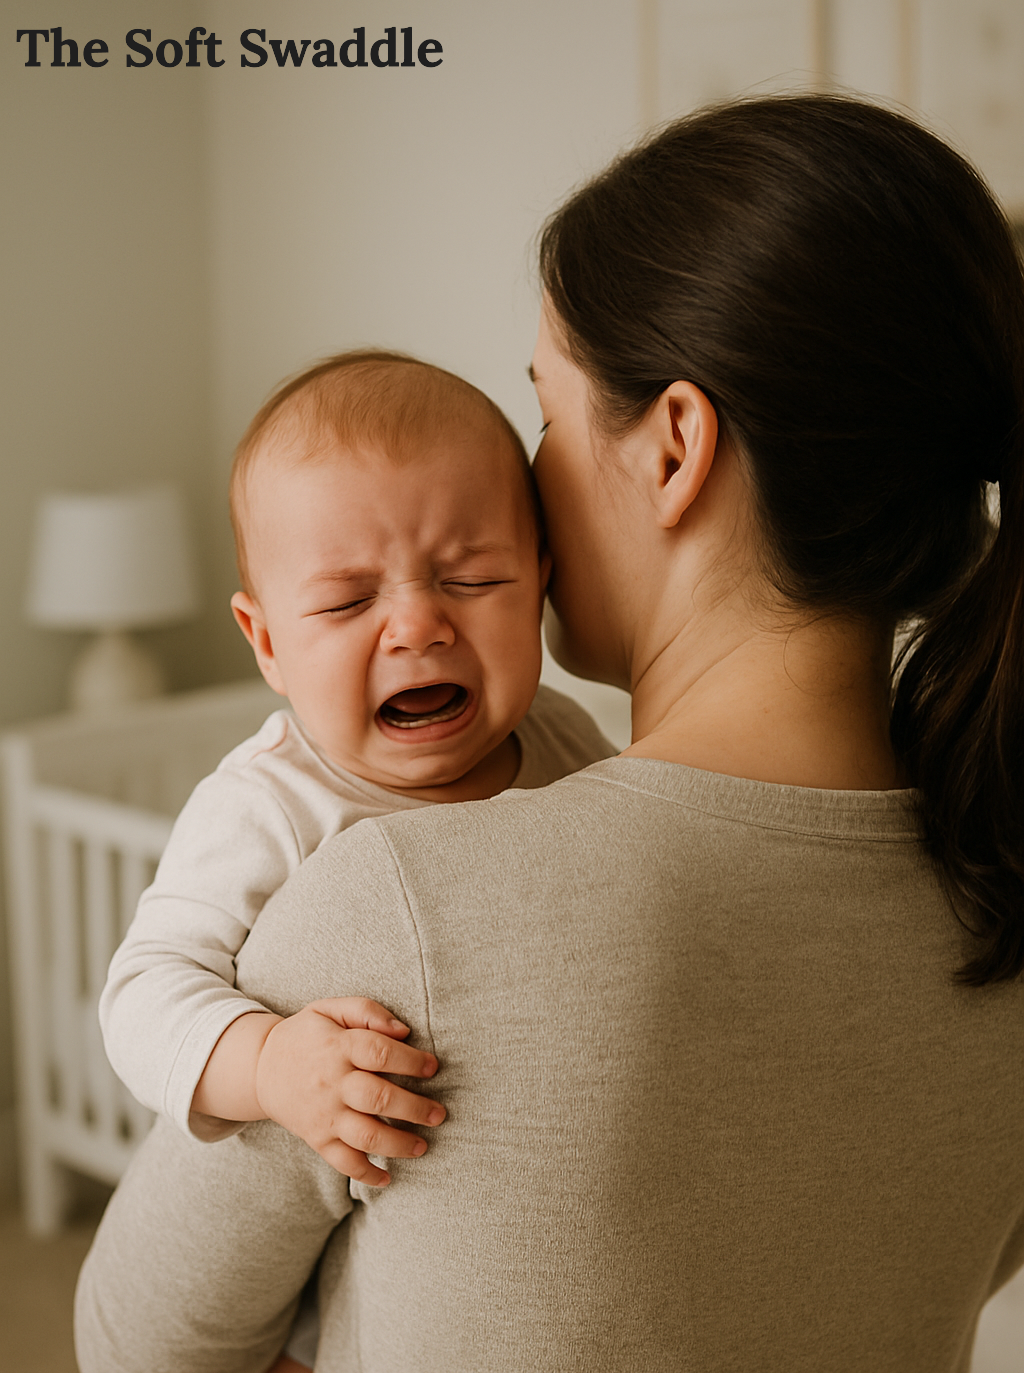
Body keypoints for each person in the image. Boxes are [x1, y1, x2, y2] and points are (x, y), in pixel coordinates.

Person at [76, 94, 1024, 1373]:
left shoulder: (402, 909)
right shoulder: (997, 895)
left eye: (547, 416)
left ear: (676, 445)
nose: (527, 481)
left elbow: (138, 1341)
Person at [97, 350, 613, 1367]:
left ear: (542, 579)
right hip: (297, 1280)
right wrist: (267, 1060)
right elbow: (139, 992)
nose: (418, 623)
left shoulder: (566, 739)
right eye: (344, 604)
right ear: (268, 642)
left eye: (473, 576)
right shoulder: (269, 806)